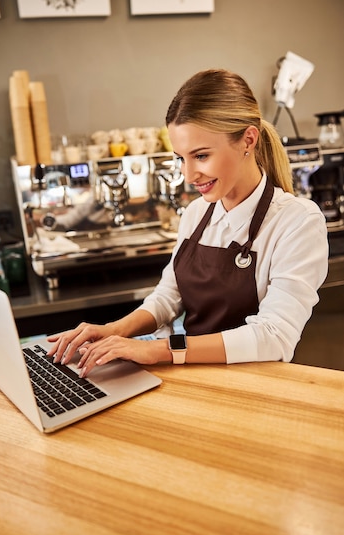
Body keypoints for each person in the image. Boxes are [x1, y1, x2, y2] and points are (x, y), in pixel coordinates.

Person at [47, 69, 329, 376]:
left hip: (254, 387)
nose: (188, 175)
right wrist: (113, 331)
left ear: (248, 139)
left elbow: (274, 336)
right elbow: (169, 297)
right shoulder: (197, 213)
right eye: (181, 158)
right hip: (191, 375)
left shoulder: (297, 221)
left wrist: (157, 350)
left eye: (202, 156)